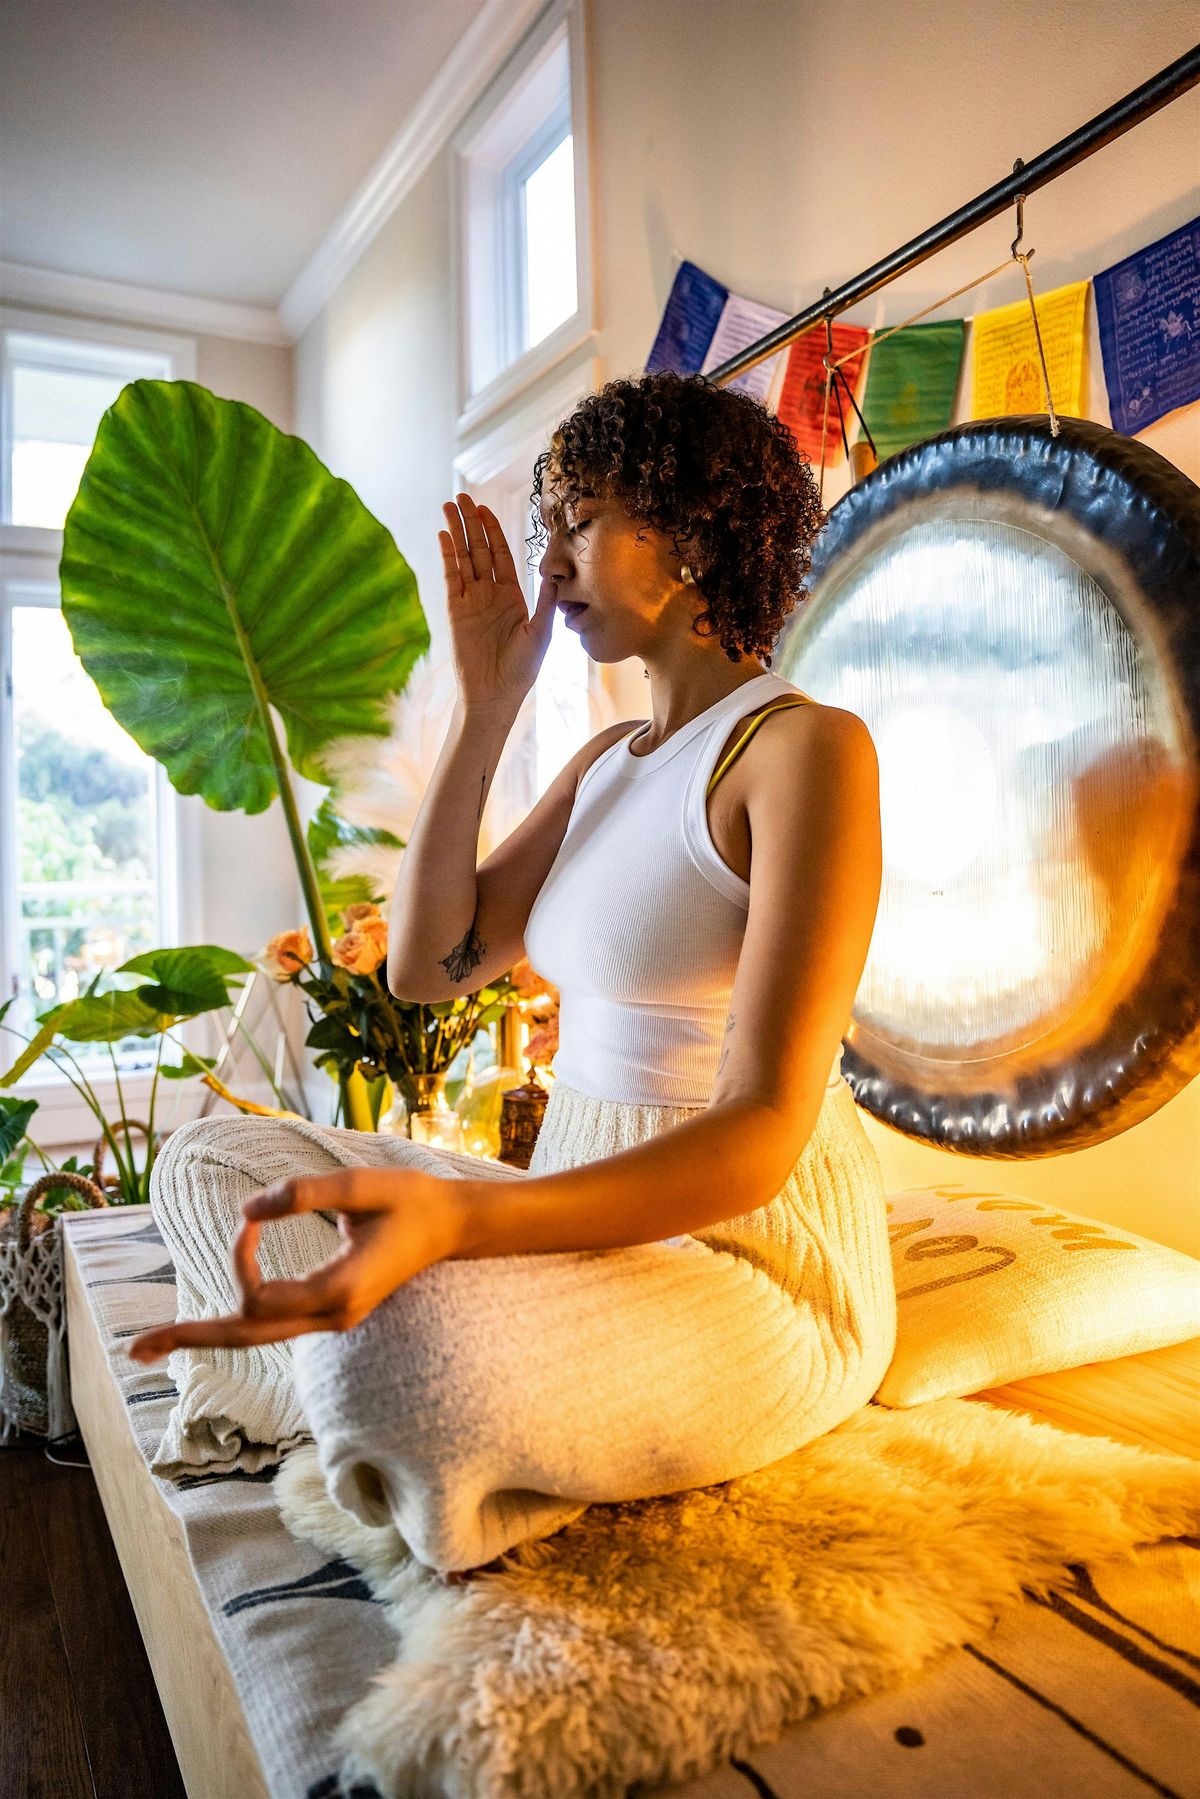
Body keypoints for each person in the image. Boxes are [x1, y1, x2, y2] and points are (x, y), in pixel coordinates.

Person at [130, 369, 896, 1578]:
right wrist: (489, 706)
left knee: (401, 1356)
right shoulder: (607, 760)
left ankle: (338, 1382)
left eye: (579, 519)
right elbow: (432, 971)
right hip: (576, 1217)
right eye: (552, 526)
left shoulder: (804, 749)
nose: (550, 561)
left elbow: (759, 1133)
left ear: (693, 530)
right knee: (213, 1159)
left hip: (756, 1262)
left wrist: (466, 1220)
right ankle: (337, 1372)